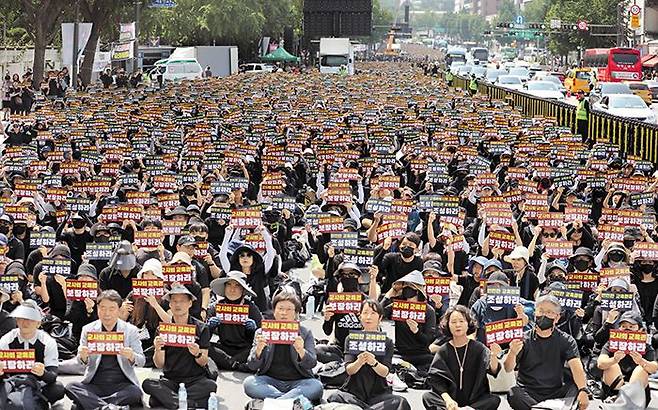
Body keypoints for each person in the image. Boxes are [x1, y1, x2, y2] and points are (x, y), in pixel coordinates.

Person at [505, 295, 590, 410]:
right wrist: (512, 353)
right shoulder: (523, 339)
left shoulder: (566, 340)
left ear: (557, 317)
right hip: (528, 392)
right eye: (541, 311)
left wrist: (583, 390)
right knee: (513, 393)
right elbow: (508, 368)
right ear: (535, 313)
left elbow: (576, 367)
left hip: (556, 392)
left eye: (549, 312)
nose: (544, 315)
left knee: (577, 388)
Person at [65, 290, 145, 409]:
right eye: (102, 308)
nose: (106, 313)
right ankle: (109, 407)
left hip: (122, 384)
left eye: (111, 309)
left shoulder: (130, 330)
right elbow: (81, 364)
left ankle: (95, 404)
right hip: (95, 383)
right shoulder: (88, 330)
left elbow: (142, 361)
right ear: (97, 309)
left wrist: (132, 356)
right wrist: (82, 356)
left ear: (119, 310)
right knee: (70, 387)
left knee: (135, 392)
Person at [142, 284, 216, 409]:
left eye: (182, 301)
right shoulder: (163, 330)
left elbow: (204, 362)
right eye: (174, 301)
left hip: (194, 380)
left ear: (190, 304)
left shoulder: (201, 328)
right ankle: (186, 404)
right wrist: (158, 349)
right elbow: (159, 364)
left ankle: (170, 400)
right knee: (148, 384)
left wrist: (197, 353)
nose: (178, 305)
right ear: (170, 305)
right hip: (170, 380)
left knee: (210, 386)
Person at [328, 299, 411, 410]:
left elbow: (385, 372)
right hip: (354, 393)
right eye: (365, 313)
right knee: (335, 397)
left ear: (380, 318)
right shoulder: (351, 338)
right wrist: (359, 362)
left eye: (373, 313)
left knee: (401, 402)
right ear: (360, 316)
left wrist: (373, 362)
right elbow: (349, 370)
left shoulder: (387, 342)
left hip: (378, 394)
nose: (368, 317)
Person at [244, 291, 323, 403]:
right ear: (274, 311)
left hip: (299, 381)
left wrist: (301, 351)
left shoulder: (305, 333)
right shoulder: (262, 332)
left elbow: (311, 363)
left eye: (289, 309)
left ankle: (276, 403)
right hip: (270, 380)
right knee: (249, 383)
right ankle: (288, 401)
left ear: (296, 313)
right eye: (280, 308)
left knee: (316, 386)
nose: (284, 313)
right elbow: (252, 366)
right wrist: (258, 350)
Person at [423, 305, 501, 410]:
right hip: (451, 401)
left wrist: (494, 356)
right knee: (428, 397)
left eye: (461, 321)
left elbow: (493, 370)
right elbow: (436, 381)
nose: (458, 325)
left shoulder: (479, 348)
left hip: (474, 400)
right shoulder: (443, 350)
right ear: (448, 326)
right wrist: (448, 400)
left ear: (468, 324)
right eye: (453, 322)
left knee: (494, 400)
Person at [0, 300, 65, 409]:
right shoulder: (6, 339)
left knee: (58, 388)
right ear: (16, 320)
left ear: (38, 323)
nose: (26, 322)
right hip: (11, 382)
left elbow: (53, 375)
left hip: (38, 384)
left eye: (31, 319)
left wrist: (43, 373)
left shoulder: (48, 341)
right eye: (22, 318)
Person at [597, 310, 657, 403]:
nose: (627, 329)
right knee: (611, 366)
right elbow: (600, 364)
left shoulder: (645, 346)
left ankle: (627, 400)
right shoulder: (611, 343)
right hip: (614, 386)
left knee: (641, 369)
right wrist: (614, 359)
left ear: (640, 329)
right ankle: (616, 398)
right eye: (623, 326)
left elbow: (654, 368)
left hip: (636, 394)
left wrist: (641, 361)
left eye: (631, 327)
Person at [207, 271, 262, 371]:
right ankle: (234, 364)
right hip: (224, 347)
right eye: (229, 285)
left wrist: (253, 330)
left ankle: (228, 363)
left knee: (260, 349)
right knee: (205, 346)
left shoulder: (252, 307)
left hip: (245, 348)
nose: (232, 289)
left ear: (243, 290)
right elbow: (205, 337)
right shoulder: (216, 306)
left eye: (237, 285)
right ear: (224, 287)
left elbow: (262, 335)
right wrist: (209, 328)